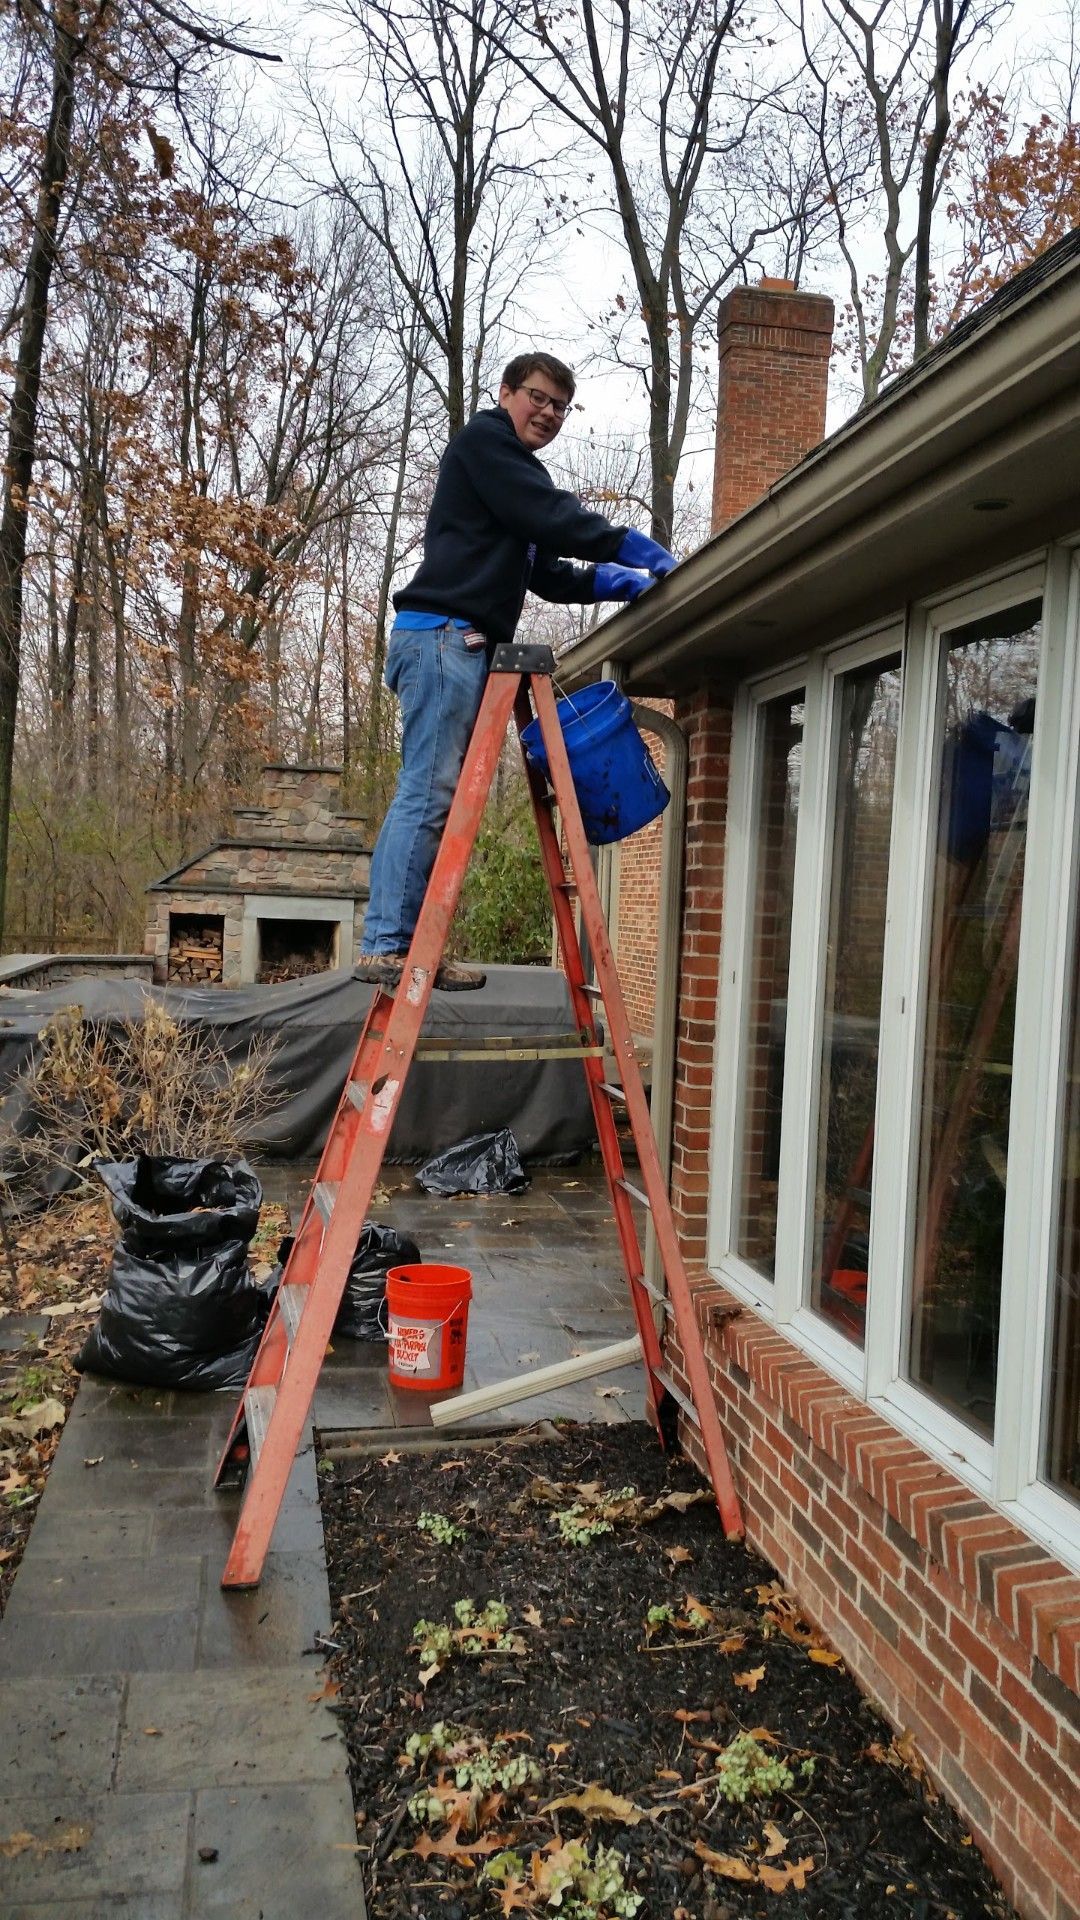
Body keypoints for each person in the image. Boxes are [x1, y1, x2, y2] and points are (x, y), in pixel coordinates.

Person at [355, 350, 676, 991]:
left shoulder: (507, 478)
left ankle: (410, 944)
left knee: (434, 795)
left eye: (560, 406)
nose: (549, 413)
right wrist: (621, 540)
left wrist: (611, 580)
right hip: (444, 639)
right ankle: (389, 943)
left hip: (456, 645)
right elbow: (550, 516)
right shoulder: (486, 444)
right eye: (538, 397)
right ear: (506, 393)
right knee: (428, 790)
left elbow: (546, 570)